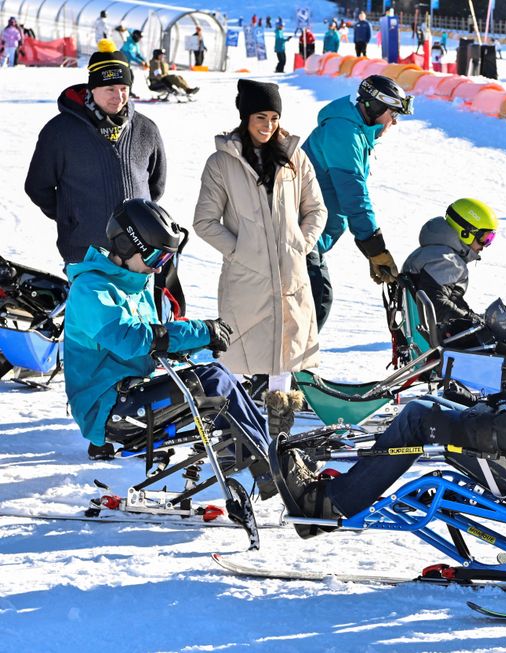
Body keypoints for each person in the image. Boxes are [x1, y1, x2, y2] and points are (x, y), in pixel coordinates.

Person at [273, 217, 506, 539]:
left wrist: (463, 425)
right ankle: (336, 494)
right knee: (437, 406)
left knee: (419, 418)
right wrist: (481, 406)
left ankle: (326, 506)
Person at [63, 199, 274, 503]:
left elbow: (154, 343)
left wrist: (201, 340)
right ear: (124, 246)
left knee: (218, 375)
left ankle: (269, 454)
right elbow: (132, 339)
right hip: (108, 410)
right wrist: (199, 332)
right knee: (212, 383)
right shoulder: (92, 291)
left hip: (130, 394)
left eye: (163, 260)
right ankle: (266, 471)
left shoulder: (134, 286)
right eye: (153, 256)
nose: (156, 266)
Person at [192, 80, 327, 421]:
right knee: (238, 354)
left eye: (274, 118)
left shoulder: (295, 157)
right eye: (260, 118)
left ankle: (280, 433)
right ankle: (232, 431)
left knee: (284, 354)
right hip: (246, 278)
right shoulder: (221, 163)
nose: (268, 126)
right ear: (245, 117)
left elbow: (317, 210)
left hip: (289, 275)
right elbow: (205, 221)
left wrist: (299, 244)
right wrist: (241, 253)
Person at [25, 39, 166, 265]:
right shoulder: (59, 132)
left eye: (123, 89)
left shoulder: (146, 129)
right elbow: (37, 187)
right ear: (92, 88)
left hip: (139, 256)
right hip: (86, 253)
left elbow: (156, 186)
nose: (118, 97)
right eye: (110, 89)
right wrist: (72, 218)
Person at [301, 75, 413, 331]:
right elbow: (353, 193)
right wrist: (375, 247)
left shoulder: (353, 131)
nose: (394, 122)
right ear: (375, 107)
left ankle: (284, 366)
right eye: (393, 114)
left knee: (312, 300)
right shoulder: (343, 132)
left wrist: (371, 248)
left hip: (310, 233)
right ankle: (286, 367)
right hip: (299, 231)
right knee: (315, 300)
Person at [401, 198, 499, 326]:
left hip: (422, 330)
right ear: (466, 232)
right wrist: (472, 321)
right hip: (436, 337)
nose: (485, 246)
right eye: (485, 238)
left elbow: (451, 300)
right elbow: (437, 306)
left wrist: (471, 316)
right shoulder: (448, 260)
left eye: (490, 239)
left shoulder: (433, 252)